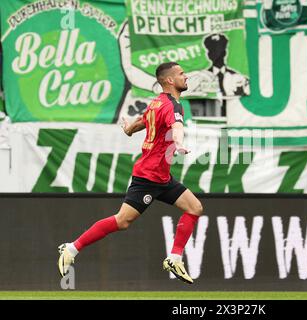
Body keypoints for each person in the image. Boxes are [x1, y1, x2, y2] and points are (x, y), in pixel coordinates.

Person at [57, 62, 203, 285]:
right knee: (122, 221)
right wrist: (179, 143)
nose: (186, 76)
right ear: (170, 80)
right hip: (148, 177)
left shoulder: (157, 103)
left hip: (161, 177)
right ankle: (71, 248)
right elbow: (177, 128)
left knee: (194, 208)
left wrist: (127, 129)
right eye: (182, 73)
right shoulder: (173, 106)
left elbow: (141, 122)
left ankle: (174, 258)